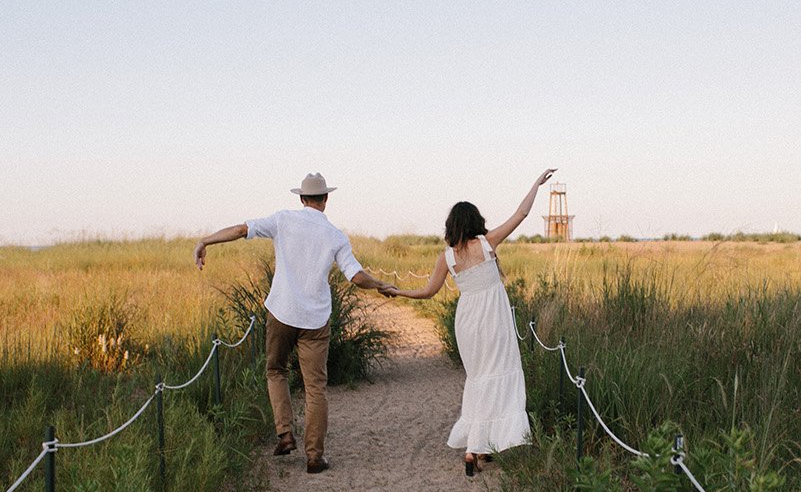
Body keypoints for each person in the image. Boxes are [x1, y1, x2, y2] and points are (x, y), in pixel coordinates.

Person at [195, 172, 393, 473]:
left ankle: (285, 434)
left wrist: (204, 241)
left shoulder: (283, 220)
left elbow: (239, 229)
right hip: (315, 320)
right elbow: (356, 277)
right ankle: (314, 456)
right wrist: (380, 284)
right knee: (316, 388)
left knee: (276, 371)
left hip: (281, 312)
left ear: (302, 199)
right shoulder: (336, 236)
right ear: (325, 199)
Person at [387, 169, 556, 476]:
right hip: (494, 320)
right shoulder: (486, 243)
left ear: (452, 226)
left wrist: (398, 291)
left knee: (479, 379)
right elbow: (521, 213)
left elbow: (427, 292)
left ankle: (477, 448)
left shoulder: (447, 257)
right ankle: (476, 447)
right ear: (476, 222)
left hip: (467, 322)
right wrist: (537, 183)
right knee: (498, 375)